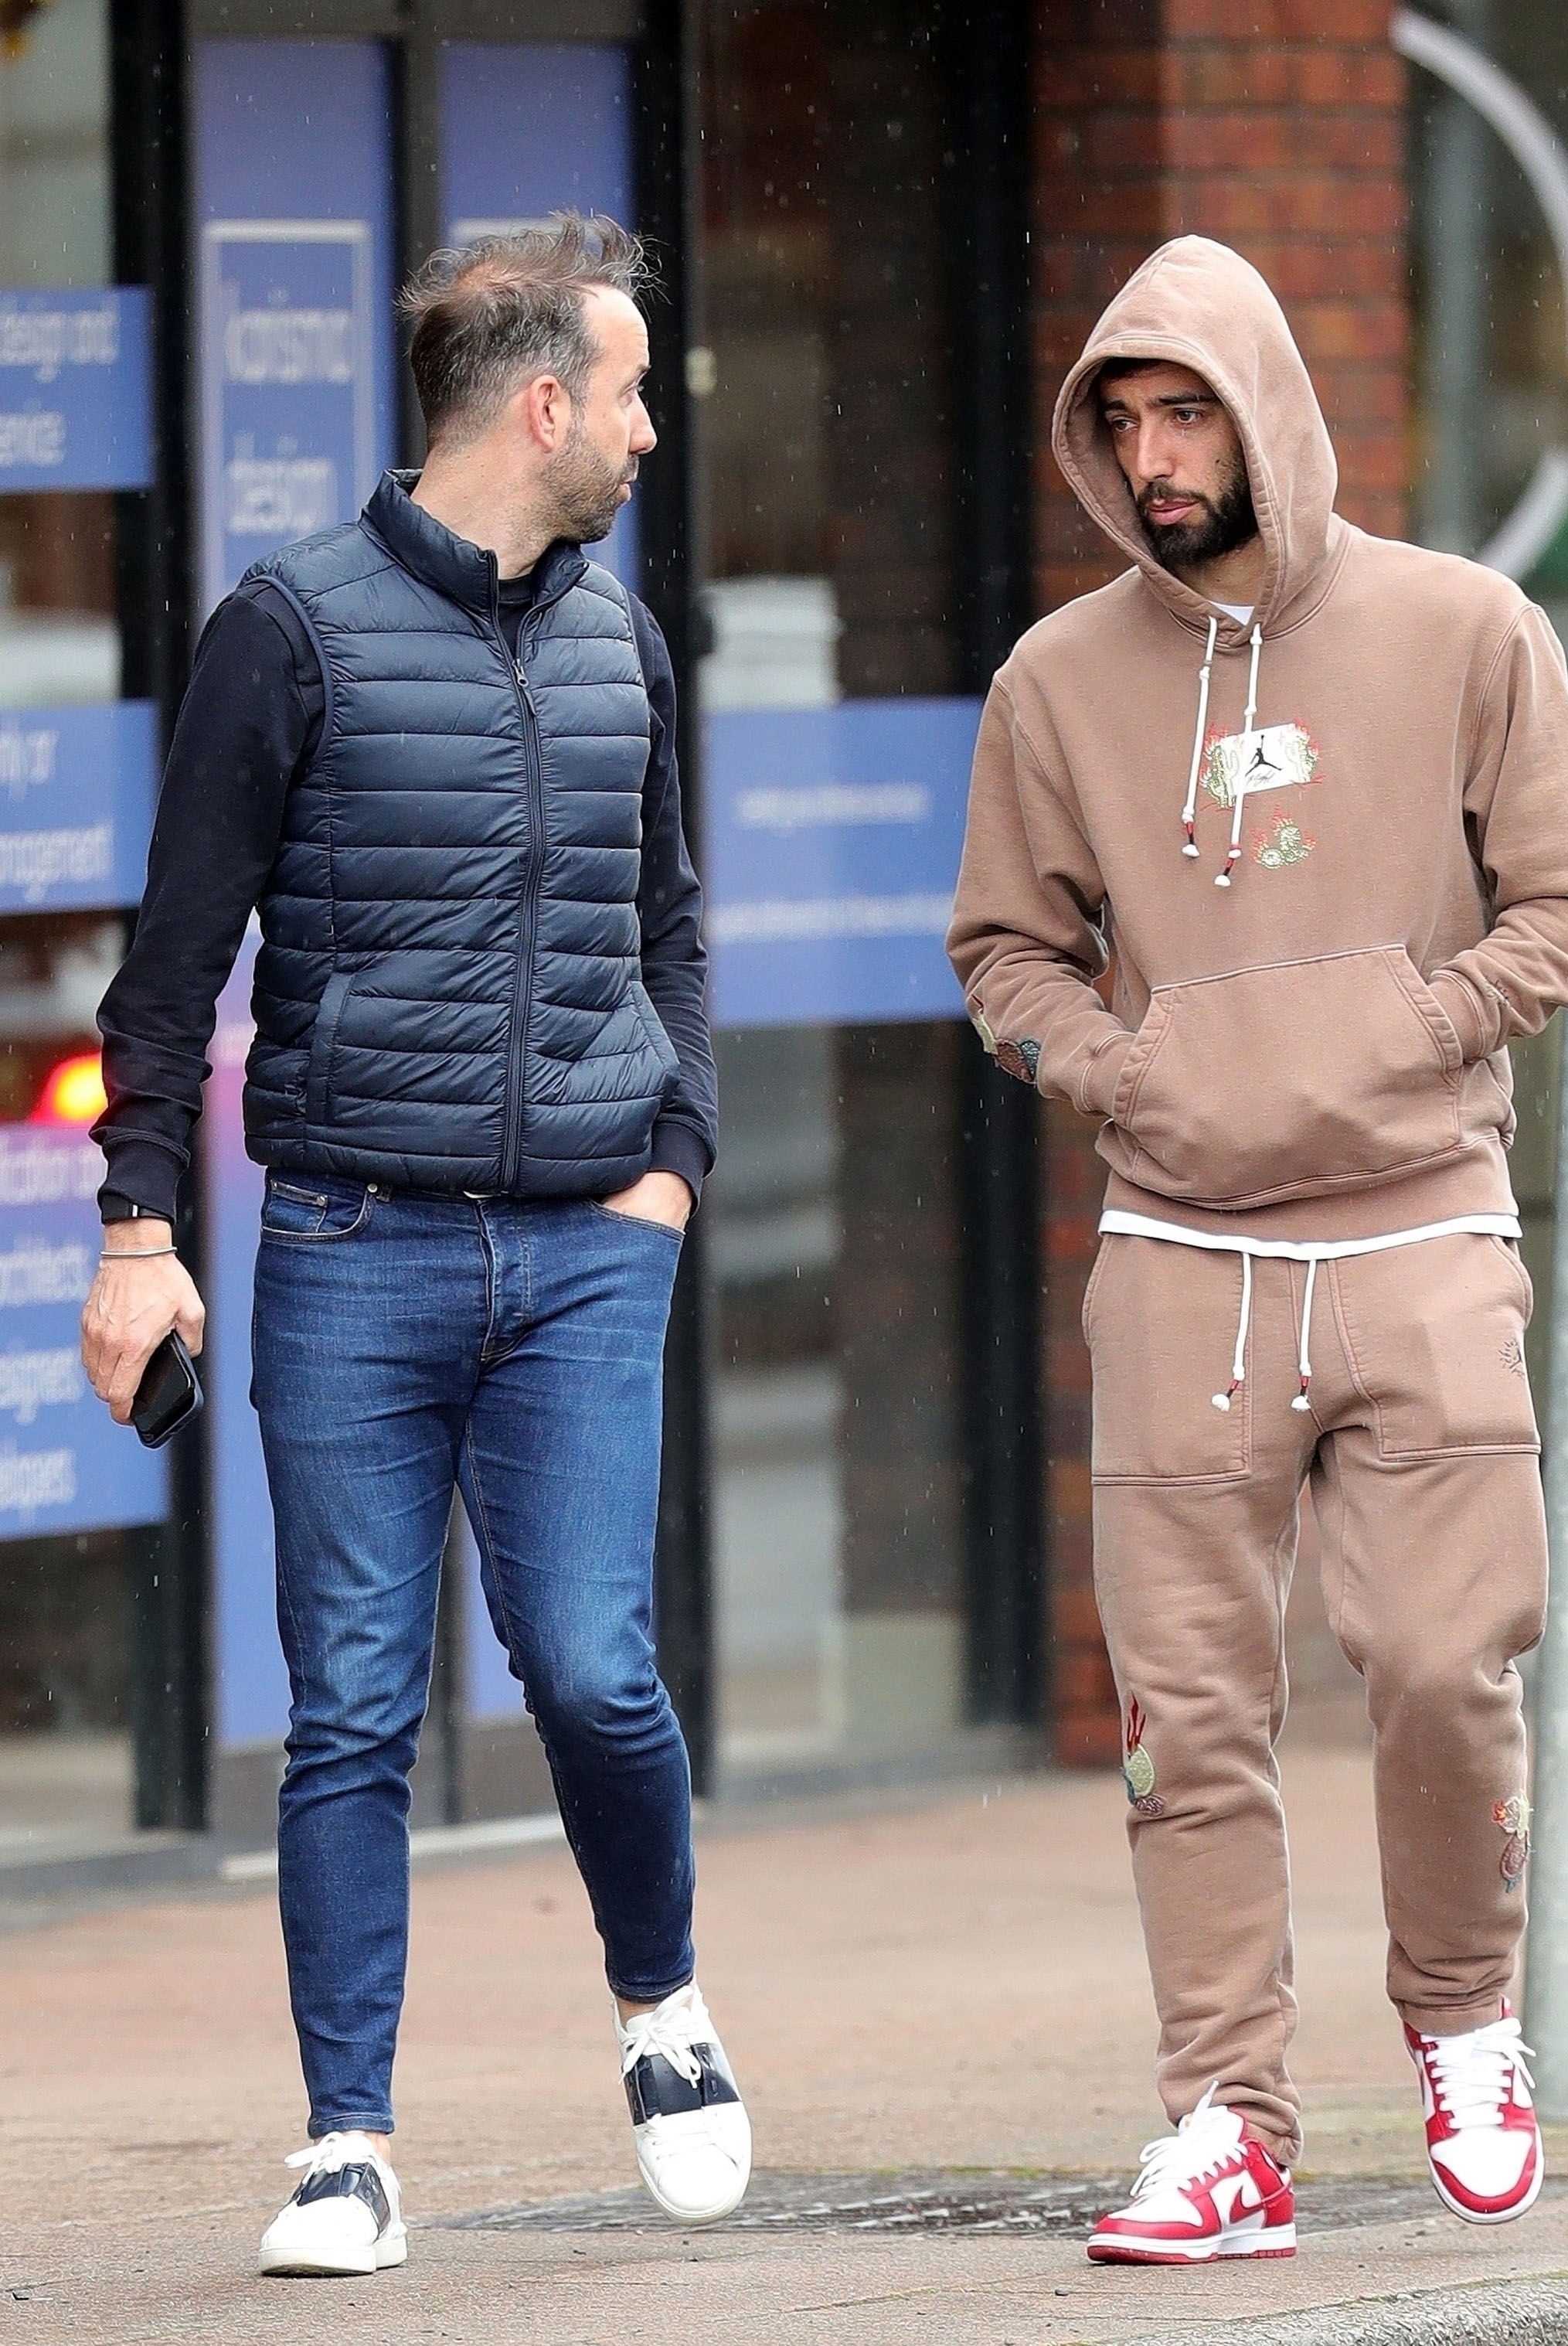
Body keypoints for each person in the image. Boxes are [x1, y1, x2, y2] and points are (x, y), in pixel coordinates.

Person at [948, 236, 1568, 2266]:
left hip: (1424, 1228)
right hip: (1176, 1247)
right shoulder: (1056, 681)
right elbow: (1000, 949)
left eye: (1189, 412)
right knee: (1186, 1713)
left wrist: (1402, 1030)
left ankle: (1464, 2014)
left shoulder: (1466, 628)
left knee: (1440, 1661)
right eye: (1125, 422)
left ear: (1269, 408)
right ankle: (1226, 2121)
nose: (1158, 458)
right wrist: (1122, 1070)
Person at [80, 214, 750, 2278]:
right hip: (355, 1246)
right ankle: (349, 2142)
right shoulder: (287, 631)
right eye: (630, 392)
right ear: (543, 403)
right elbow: (170, 976)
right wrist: (138, 1235)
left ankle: (663, 2003)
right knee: (354, 1699)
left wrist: (672, 1160)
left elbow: (673, 929)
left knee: (594, 1670)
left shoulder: (624, 641)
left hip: (582, 1251)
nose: (650, 431)